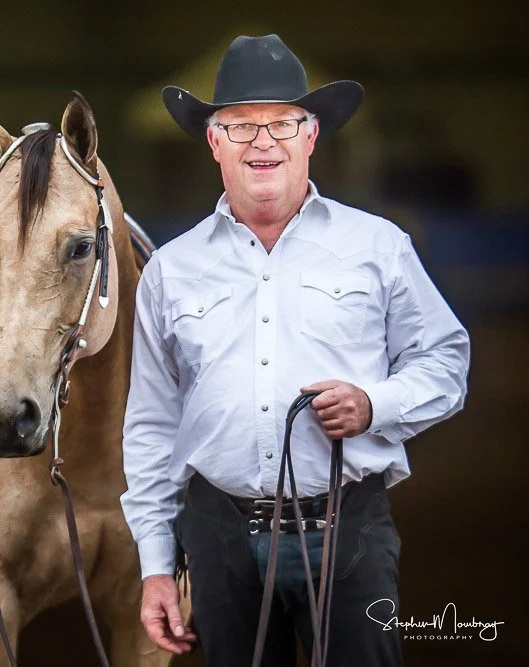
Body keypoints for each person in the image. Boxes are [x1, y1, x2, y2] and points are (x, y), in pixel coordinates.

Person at [120, 34, 470, 666]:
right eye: (240, 126)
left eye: (282, 123)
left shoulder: (378, 246)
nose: (262, 142)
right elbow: (150, 424)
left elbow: (445, 361)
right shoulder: (170, 270)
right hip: (217, 538)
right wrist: (156, 565)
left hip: (349, 531)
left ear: (310, 137)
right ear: (214, 141)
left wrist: (374, 403)